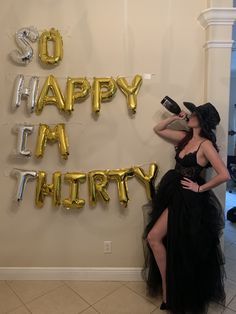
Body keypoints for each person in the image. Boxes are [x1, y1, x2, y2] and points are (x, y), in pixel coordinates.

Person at [141, 101, 230, 314]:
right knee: (157, 239)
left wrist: (200, 189)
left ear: (202, 120)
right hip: (172, 193)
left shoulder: (206, 145)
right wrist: (175, 118)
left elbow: (225, 175)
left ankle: (171, 293)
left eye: (194, 113)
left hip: (189, 200)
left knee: (169, 243)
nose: (190, 115)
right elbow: (158, 129)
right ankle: (167, 291)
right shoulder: (185, 137)